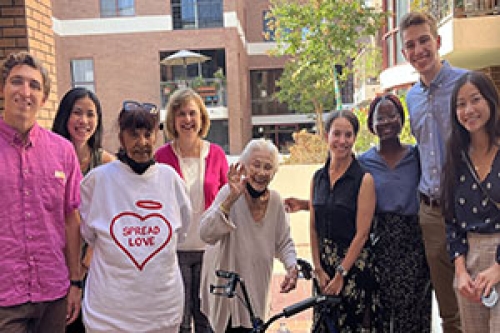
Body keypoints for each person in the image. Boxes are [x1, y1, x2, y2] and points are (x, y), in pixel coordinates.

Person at [79, 101, 192, 332]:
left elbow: (180, 232)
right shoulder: (98, 181)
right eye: (133, 135)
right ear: (121, 138)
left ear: (156, 137)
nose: (142, 143)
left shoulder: (170, 180)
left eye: (147, 134)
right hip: (108, 315)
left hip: (162, 313)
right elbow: (88, 234)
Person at [0, 51, 82, 331]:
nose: (25, 92)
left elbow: (71, 218)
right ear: (3, 88)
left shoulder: (63, 151)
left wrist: (75, 282)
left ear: (44, 98)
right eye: (17, 82)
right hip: (4, 297)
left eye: (34, 85)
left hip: (54, 291)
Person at [400, 11, 467, 332]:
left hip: (472, 211)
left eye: (424, 40)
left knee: (484, 297)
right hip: (432, 214)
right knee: (449, 310)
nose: (419, 50)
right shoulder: (411, 97)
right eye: (411, 45)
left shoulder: (467, 85)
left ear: (438, 41)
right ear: (404, 53)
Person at [199, 139, 298, 333]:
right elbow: (206, 233)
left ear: (274, 172)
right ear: (244, 167)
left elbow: (284, 241)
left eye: (268, 167)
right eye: (256, 165)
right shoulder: (229, 193)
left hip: (257, 292)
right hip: (227, 294)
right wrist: (229, 201)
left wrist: (291, 266)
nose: (261, 172)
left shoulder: (276, 201)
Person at [155, 88, 228, 333]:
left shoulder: (216, 154)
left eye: (192, 113)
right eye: (182, 114)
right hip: (176, 251)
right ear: (173, 121)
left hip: (210, 250)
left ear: (202, 118)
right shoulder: (161, 157)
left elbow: (227, 197)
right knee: (181, 320)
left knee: (207, 318)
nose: (188, 120)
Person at [358, 93, 431, 332]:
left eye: (393, 115)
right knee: (380, 312)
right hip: (379, 243)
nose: (387, 122)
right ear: (371, 124)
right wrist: (307, 204)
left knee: (414, 313)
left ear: (402, 120)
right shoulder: (362, 163)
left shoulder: (418, 156)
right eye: (381, 117)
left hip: (413, 244)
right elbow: (344, 202)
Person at [310, 110, 380, 332]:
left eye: (348, 135)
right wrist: (318, 268)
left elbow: (362, 233)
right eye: (336, 134)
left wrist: (341, 273)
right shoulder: (317, 178)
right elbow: (313, 226)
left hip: (352, 268)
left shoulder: (363, 179)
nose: (342, 141)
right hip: (324, 270)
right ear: (326, 136)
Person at [52, 87, 115, 333]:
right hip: (54, 263)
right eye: (77, 113)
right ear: (65, 115)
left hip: (93, 266)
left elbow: (111, 219)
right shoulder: (50, 156)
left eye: (91, 114)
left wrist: (85, 264)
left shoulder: (107, 164)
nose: (84, 121)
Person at [441, 71, 500, 332]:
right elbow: (451, 221)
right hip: (470, 265)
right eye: (461, 104)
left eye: (475, 100)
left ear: (490, 101)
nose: (468, 110)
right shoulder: (456, 157)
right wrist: (461, 271)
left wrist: (498, 268)